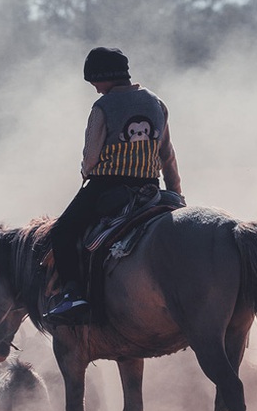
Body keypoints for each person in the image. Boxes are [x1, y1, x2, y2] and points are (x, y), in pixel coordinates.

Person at [45, 46, 183, 324]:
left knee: (62, 232)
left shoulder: (103, 107)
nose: (95, 89)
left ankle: (73, 294)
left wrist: (85, 171)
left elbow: (91, 157)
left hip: (107, 188)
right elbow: (166, 154)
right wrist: (176, 193)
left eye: (95, 81)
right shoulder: (157, 102)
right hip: (150, 189)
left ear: (105, 77)